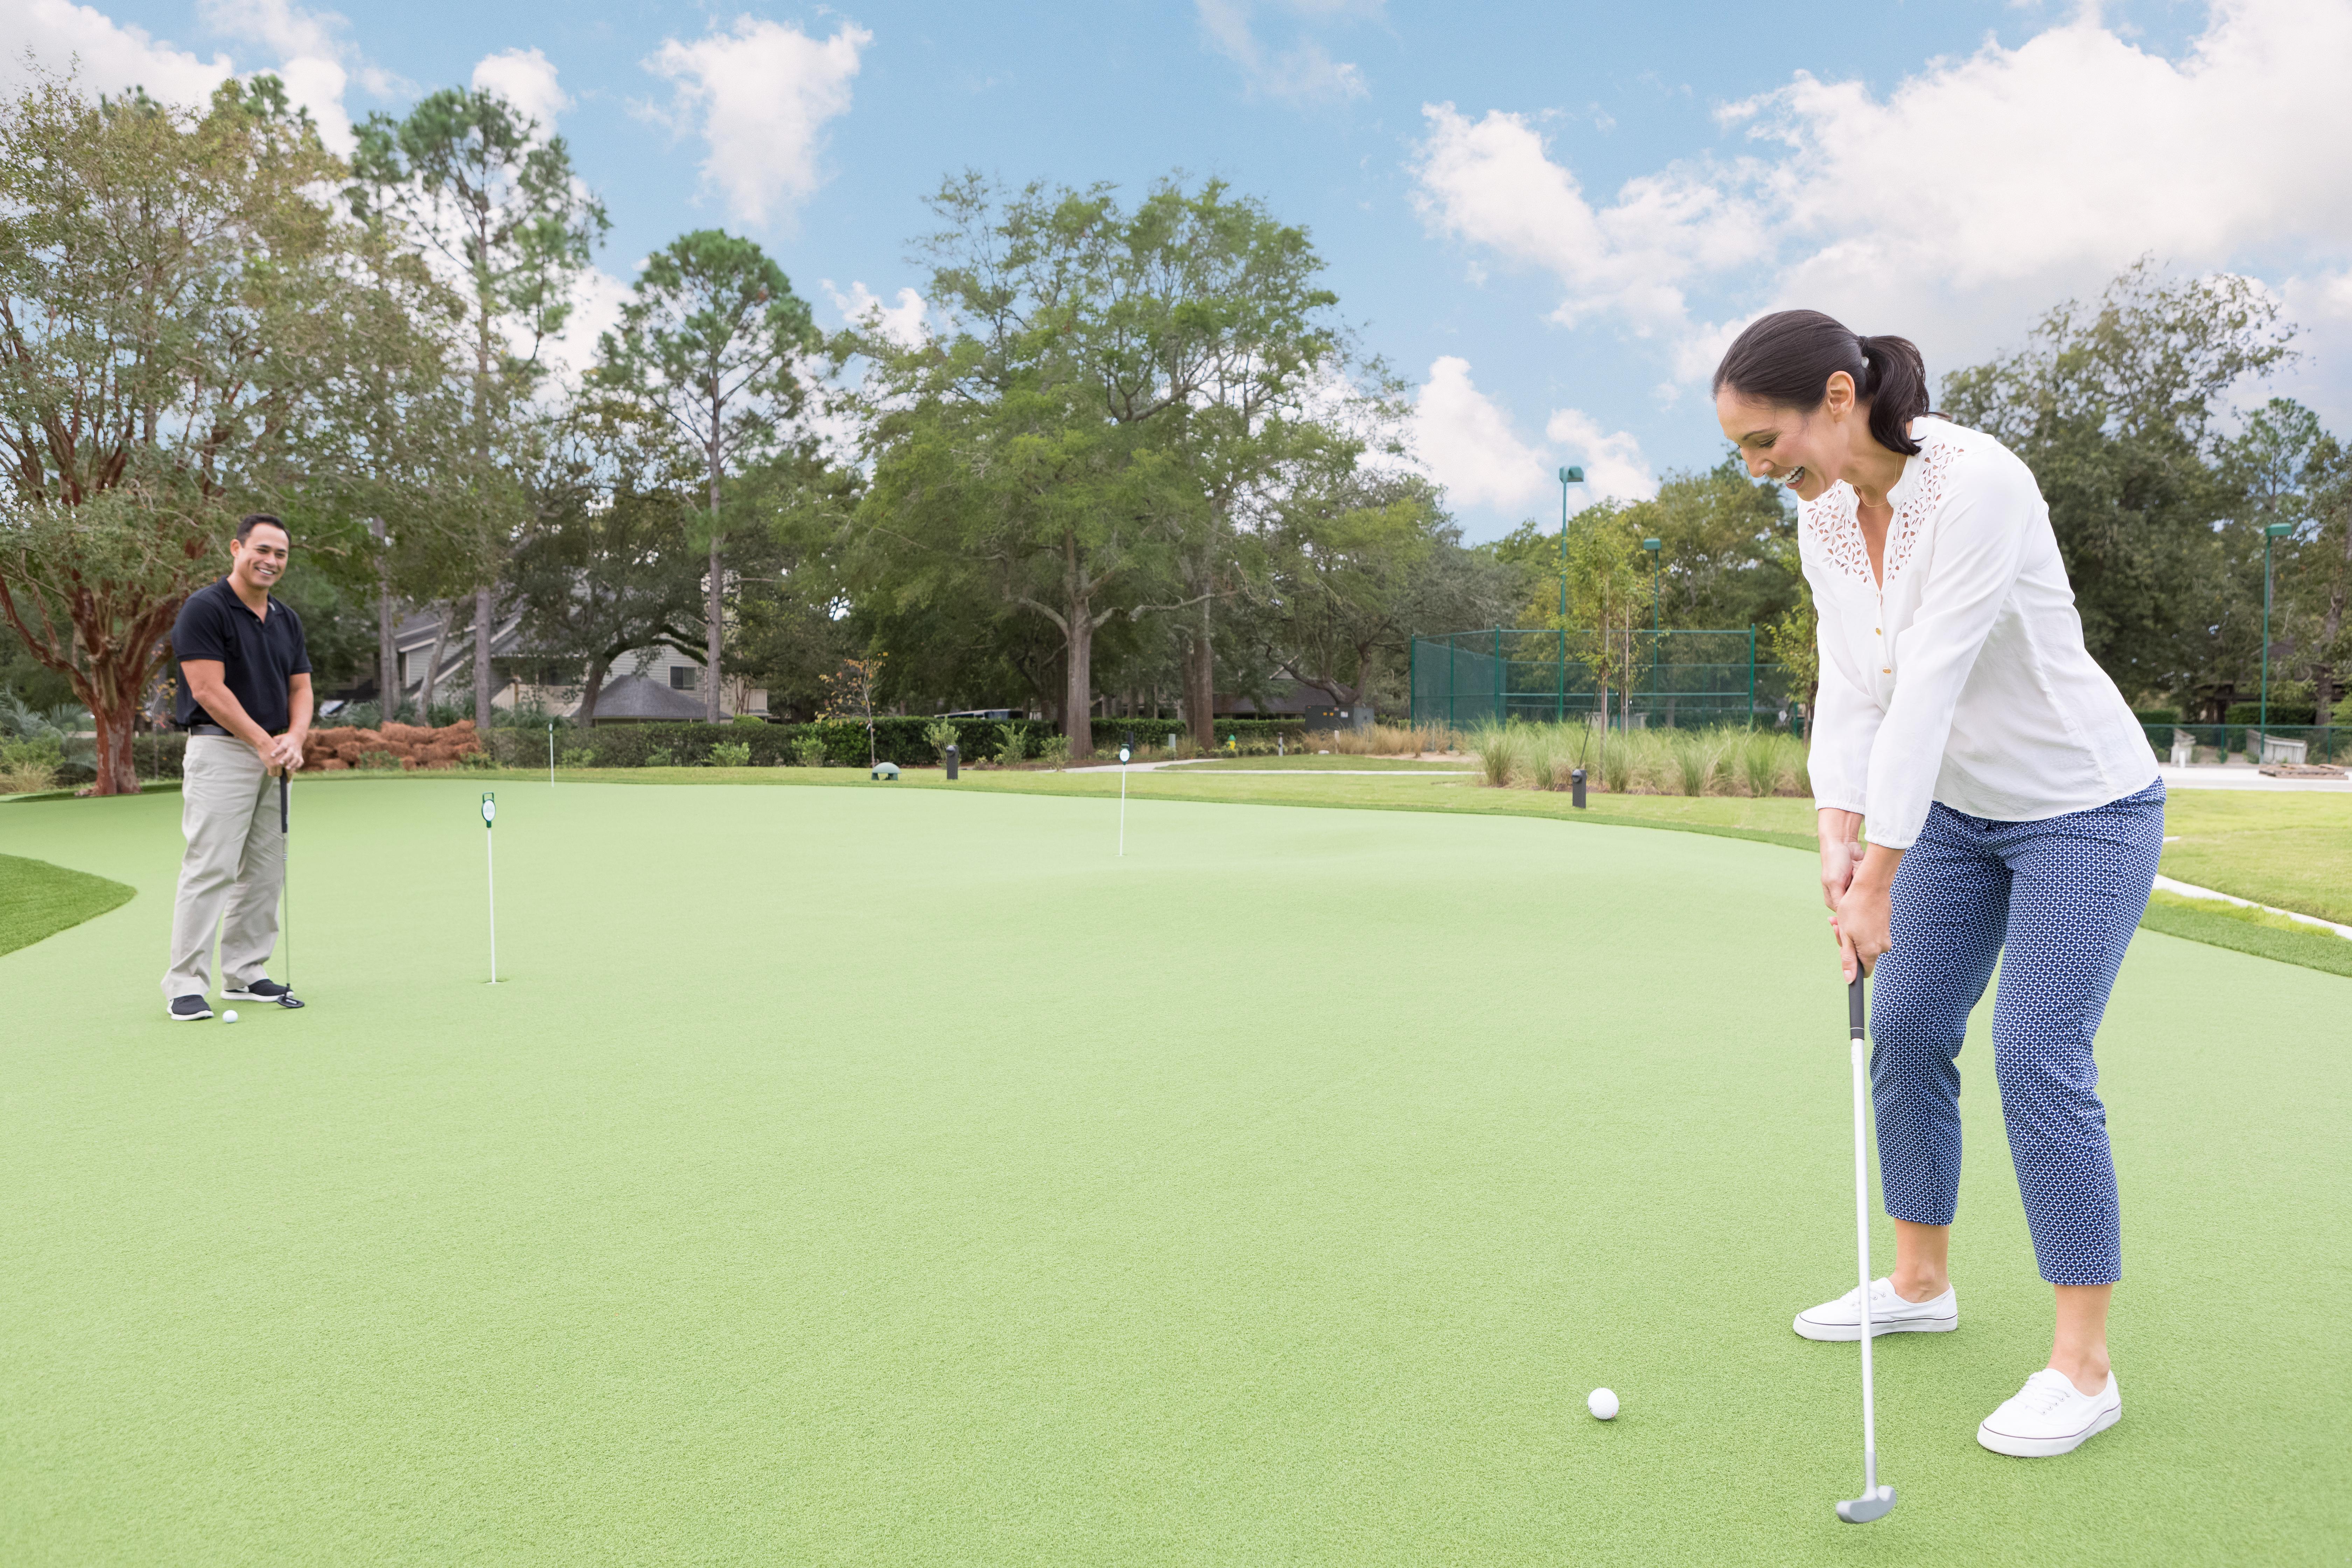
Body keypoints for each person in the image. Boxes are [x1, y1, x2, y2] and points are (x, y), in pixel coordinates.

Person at [1714, 312, 2162, 1459]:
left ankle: (2085, 1368)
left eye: (1766, 443)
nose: (1762, 471)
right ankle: (1920, 1282)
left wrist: (1879, 879)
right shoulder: (1822, 519)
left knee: (2038, 1056)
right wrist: (1833, 830)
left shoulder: (1979, 488)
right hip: (1960, 817)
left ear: (1834, 397)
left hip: (2083, 807)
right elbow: (1853, 687)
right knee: (1907, 1026)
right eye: (1742, 454)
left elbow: (1930, 692)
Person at [161, 514, 313, 1021]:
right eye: (262, 550)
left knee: (267, 870)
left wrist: (293, 739)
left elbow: (301, 689)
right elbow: (207, 689)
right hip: (222, 752)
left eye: (281, 554)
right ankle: (184, 983)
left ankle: (246, 972)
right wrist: (263, 742)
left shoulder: (286, 619)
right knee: (211, 867)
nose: (271, 561)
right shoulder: (205, 609)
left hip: (274, 757)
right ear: (236, 548)